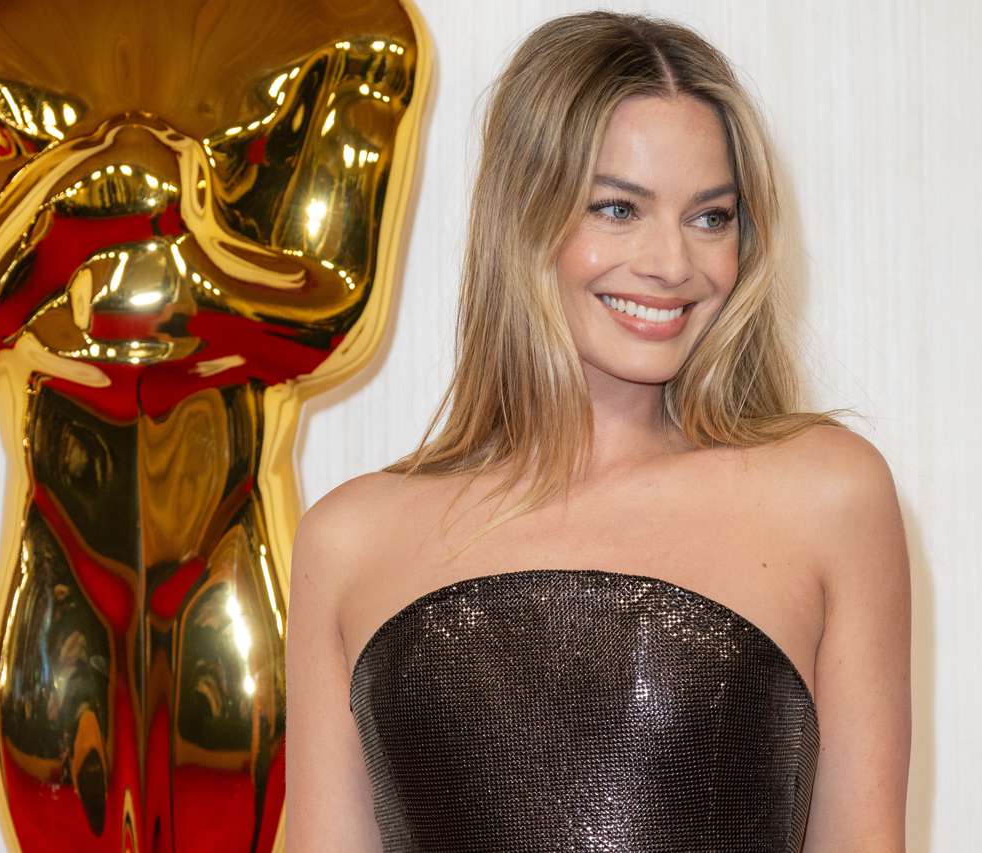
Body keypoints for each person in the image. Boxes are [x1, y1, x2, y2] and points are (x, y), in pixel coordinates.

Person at [285, 10, 910, 852]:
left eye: (711, 217)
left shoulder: (829, 496)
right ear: (525, 218)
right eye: (619, 208)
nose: (673, 264)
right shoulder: (350, 540)